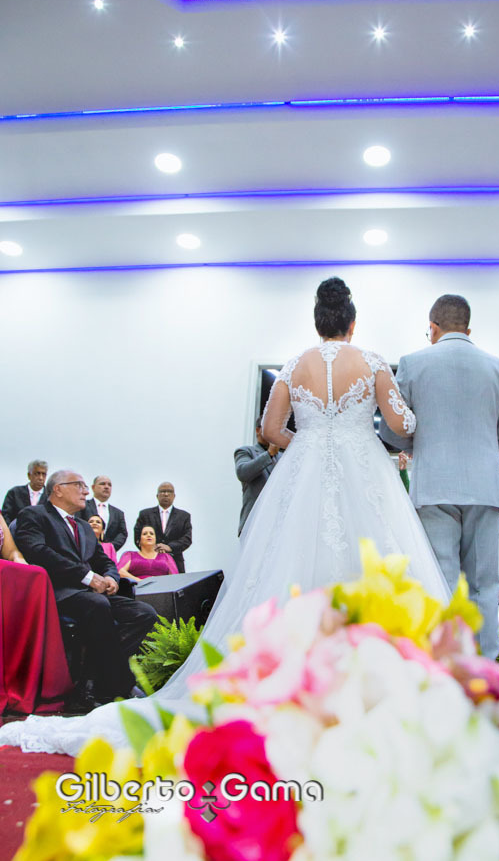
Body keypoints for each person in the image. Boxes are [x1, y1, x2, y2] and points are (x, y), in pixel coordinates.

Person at [0, 278, 449, 753]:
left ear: (318, 323)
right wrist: (384, 424)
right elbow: (400, 423)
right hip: (364, 475)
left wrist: (311, 444)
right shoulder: (373, 362)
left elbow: (270, 428)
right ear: (352, 324)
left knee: (287, 571)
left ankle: (288, 687)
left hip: (307, 477)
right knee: (373, 563)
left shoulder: (295, 365)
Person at [379, 293, 499, 659]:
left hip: (434, 487)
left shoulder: (412, 363)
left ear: (432, 328)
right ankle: (484, 672)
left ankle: (444, 667)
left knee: (440, 580)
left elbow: (392, 431)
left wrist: (421, 443)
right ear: (468, 329)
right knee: (484, 586)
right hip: (485, 489)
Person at [14, 470, 158, 711]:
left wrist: (111, 577)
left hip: (92, 595)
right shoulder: (34, 515)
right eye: (79, 485)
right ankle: (121, 683)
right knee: (98, 605)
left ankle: (91, 682)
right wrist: (88, 577)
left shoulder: (83, 526)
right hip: (56, 593)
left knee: (144, 613)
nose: (86, 491)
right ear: (58, 489)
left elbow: (104, 561)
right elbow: (38, 552)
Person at [234, 417, 282, 535]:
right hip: (253, 523)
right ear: (258, 430)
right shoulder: (245, 451)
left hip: (277, 523)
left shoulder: (283, 457)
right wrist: (269, 454)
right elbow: (243, 473)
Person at [134, 483, 192, 573]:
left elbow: (187, 539)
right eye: (162, 491)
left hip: (175, 562)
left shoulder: (184, 516)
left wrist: (169, 547)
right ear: (157, 496)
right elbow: (138, 535)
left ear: (174, 496)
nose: (166, 494)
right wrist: (151, 549)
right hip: (149, 562)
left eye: (169, 491)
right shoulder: (145, 514)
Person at [78, 475, 128, 552]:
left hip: (107, 555)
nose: (106, 487)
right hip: (83, 551)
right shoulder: (82, 506)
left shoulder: (118, 513)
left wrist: (109, 547)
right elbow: (77, 525)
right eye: (102, 484)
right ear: (93, 487)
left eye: (109, 485)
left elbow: (122, 534)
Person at [2, 460, 48, 524]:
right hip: (17, 529)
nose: (41, 478)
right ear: (29, 475)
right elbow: (6, 516)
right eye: (37, 474)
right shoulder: (14, 493)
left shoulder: (50, 496)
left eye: (44, 474)